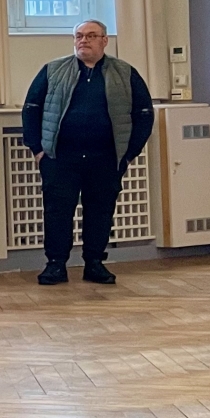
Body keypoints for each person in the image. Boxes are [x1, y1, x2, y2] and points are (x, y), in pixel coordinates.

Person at [22, 20, 154, 286]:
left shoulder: (125, 72)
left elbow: (144, 114)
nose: (83, 40)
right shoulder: (53, 70)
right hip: (60, 158)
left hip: (106, 157)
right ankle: (56, 265)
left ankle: (94, 263)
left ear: (104, 40)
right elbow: (31, 108)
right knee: (57, 212)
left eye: (91, 36)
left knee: (100, 211)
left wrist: (129, 153)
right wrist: (37, 150)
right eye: (79, 36)